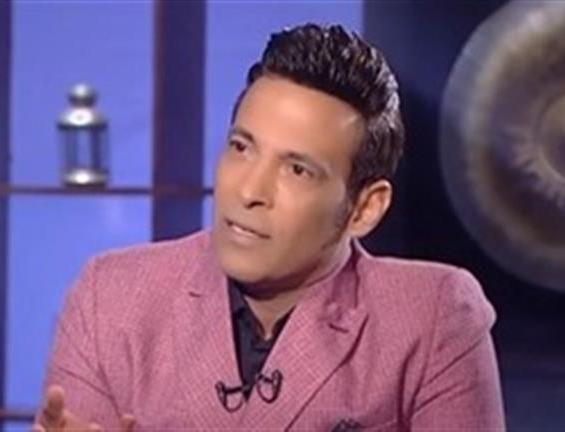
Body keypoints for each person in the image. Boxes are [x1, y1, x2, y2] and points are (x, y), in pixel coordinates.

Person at [34, 23, 505, 431]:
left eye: (297, 169)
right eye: (241, 148)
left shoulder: (432, 317)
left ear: (364, 208)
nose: (249, 191)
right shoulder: (111, 298)